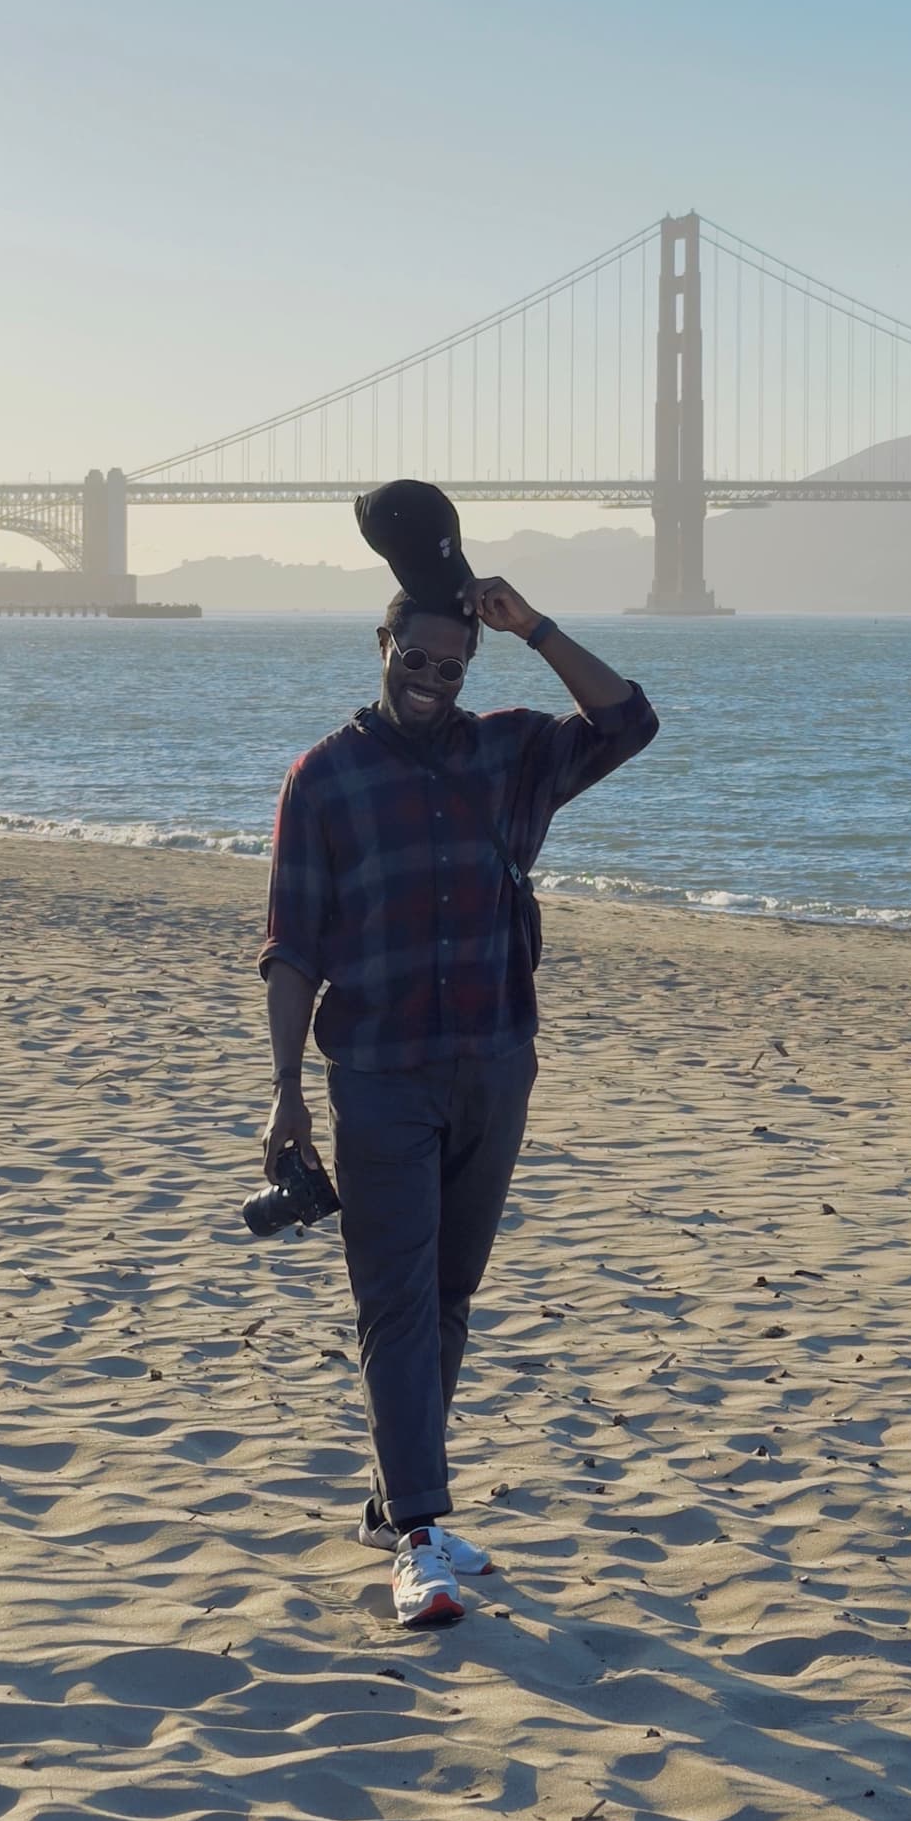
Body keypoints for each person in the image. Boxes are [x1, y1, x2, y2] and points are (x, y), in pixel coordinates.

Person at [258, 575, 659, 1627]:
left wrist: (532, 628)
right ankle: (422, 1538)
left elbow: (627, 719)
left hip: (493, 1062)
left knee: (445, 1296)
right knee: (393, 1300)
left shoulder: (509, 754)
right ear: (378, 643)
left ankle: (396, 1503)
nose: (429, 680)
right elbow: (290, 947)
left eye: (450, 665)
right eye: (412, 658)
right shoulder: (324, 781)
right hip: (380, 1076)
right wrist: (285, 1088)